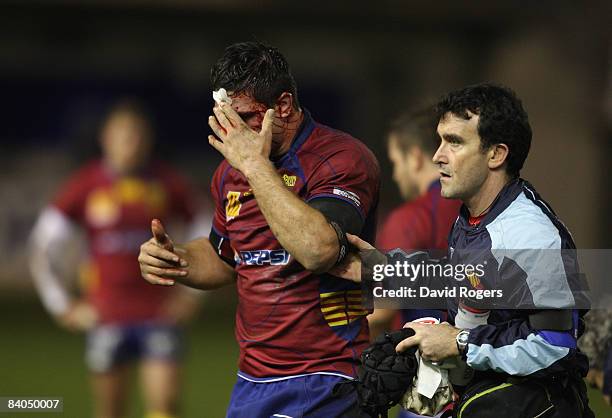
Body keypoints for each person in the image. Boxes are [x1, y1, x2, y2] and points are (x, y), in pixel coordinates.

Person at [138, 41, 380, 417]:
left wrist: (255, 168)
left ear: (283, 106)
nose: (232, 133)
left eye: (244, 117)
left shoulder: (339, 158)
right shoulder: (230, 172)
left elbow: (318, 250)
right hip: (252, 379)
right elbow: (226, 258)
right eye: (224, 118)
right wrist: (177, 259)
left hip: (325, 374)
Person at [335, 83, 594, 417]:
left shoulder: (529, 233)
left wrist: (459, 344)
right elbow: (473, 284)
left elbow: (556, 345)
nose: (437, 155)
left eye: (454, 142)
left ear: (496, 154)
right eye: (441, 139)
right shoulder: (473, 218)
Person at [30, 101, 203, 418]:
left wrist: (192, 294)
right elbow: (43, 245)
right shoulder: (87, 184)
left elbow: (205, 227)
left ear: (148, 140)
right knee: (110, 412)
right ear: (105, 139)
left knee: (165, 407)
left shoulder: (166, 182)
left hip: (158, 312)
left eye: (138, 136)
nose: (131, 143)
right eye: (124, 135)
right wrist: (61, 305)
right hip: (106, 314)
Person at [369, 107, 461, 341]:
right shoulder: (477, 209)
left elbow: (380, 311)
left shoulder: (409, 219)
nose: (396, 175)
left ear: (415, 157)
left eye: (396, 162)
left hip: (428, 364)